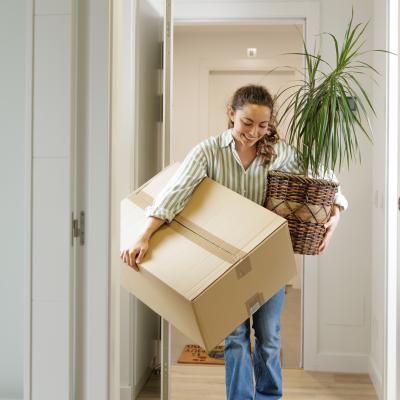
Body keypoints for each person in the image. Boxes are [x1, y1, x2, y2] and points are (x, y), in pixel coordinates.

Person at [120, 84, 348, 399]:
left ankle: (269, 396)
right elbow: (175, 192)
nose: (254, 132)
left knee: (268, 338)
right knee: (236, 339)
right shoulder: (207, 151)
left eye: (263, 125)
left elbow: (323, 177)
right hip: (226, 267)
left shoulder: (279, 151)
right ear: (231, 114)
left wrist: (336, 212)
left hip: (268, 262)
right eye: (247, 123)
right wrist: (144, 234)